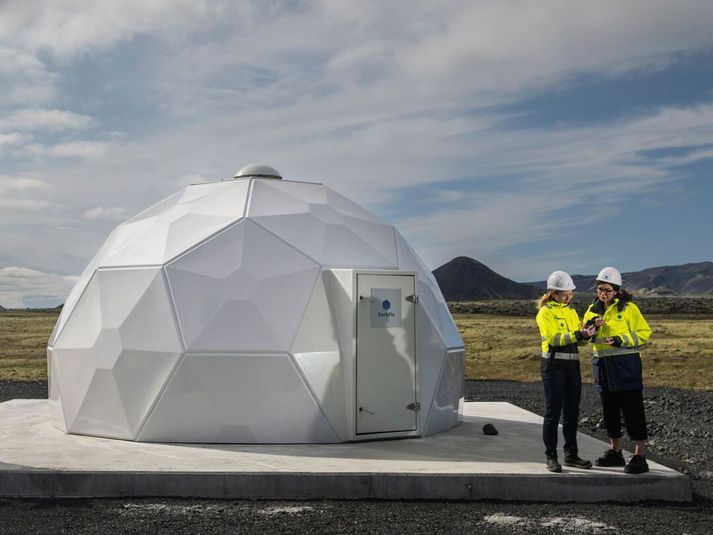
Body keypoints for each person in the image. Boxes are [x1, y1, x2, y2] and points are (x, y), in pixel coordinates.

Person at [583, 266, 652, 474]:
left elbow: (644, 333)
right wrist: (591, 326)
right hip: (603, 369)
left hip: (626, 368)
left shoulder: (628, 309)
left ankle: (640, 455)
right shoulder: (592, 309)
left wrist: (621, 340)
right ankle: (615, 452)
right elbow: (585, 334)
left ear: (616, 290)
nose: (602, 294)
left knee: (633, 411)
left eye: (606, 290)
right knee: (609, 412)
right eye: (599, 289)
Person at [536, 271, 596, 473]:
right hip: (553, 368)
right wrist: (577, 334)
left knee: (572, 412)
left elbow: (576, 339)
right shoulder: (545, 313)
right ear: (553, 293)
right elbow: (554, 339)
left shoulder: (571, 312)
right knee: (553, 413)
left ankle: (571, 454)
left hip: (572, 368)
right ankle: (550, 456)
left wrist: (586, 333)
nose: (568, 297)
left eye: (570, 293)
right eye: (564, 294)